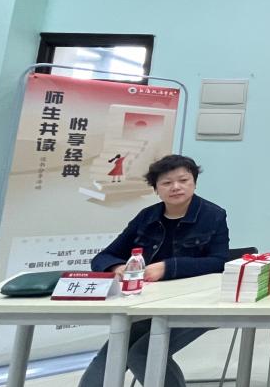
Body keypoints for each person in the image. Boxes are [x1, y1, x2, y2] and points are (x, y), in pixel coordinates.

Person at [79, 155, 230, 387]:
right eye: (166, 183)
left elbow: (219, 262)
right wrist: (118, 267)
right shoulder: (146, 217)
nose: (176, 187)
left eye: (183, 180)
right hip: (147, 305)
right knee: (106, 362)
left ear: (194, 183)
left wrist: (168, 268)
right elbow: (103, 257)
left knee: (142, 354)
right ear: (156, 189)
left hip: (197, 304)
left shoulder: (213, 215)